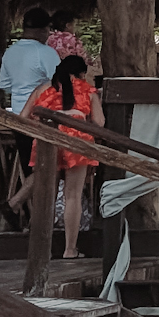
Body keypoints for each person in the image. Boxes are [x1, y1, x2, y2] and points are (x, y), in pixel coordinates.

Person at [21, 53, 104, 261]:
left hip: (46, 140)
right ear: (81, 73)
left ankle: (41, 249)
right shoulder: (88, 90)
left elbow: (22, 118)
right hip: (77, 141)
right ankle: (70, 249)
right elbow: (100, 123)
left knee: (45, 194)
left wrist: (40, 128)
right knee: (72, 196)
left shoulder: (42, 88)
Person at [0, 7, 60, 117]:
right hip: (41, 116)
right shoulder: (46, 52)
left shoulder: (10, 52)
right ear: (43, 30)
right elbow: (61, 83)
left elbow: (4, 85)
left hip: (17, 113)